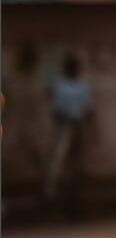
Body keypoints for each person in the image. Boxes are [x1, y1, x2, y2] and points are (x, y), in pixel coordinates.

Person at [45, 53, 92, 207]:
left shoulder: (82, 85)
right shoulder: (61, 85)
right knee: (59, 157)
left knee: (78, 159)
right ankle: (50, 190)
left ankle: (75, 190)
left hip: (78, 124)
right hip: (65, 124)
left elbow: (87, 108)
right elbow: (56, 109)